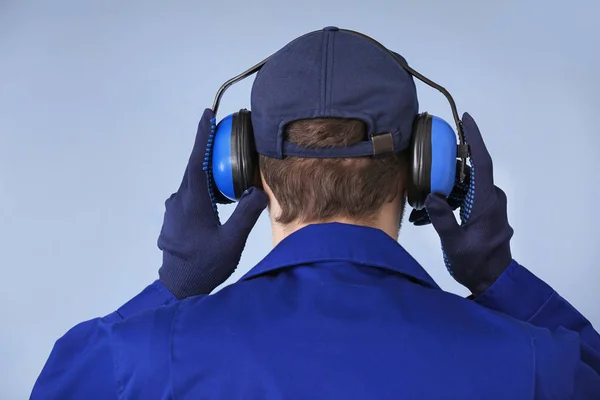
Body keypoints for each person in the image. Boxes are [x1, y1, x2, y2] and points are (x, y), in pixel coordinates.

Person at [31, 27, 599, 399]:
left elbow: (60, 384)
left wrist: (174, 286)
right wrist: (500, 279)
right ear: (426, 171)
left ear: (242, 168)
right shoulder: (530, 364)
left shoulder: (146, 361)